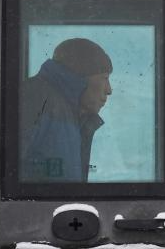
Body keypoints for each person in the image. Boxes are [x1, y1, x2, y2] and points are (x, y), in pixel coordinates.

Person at [19, 37, 113, 182]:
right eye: (105, 78)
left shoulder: (71, 115)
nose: (109, 90)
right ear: (80, 77)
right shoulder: (35, 98)